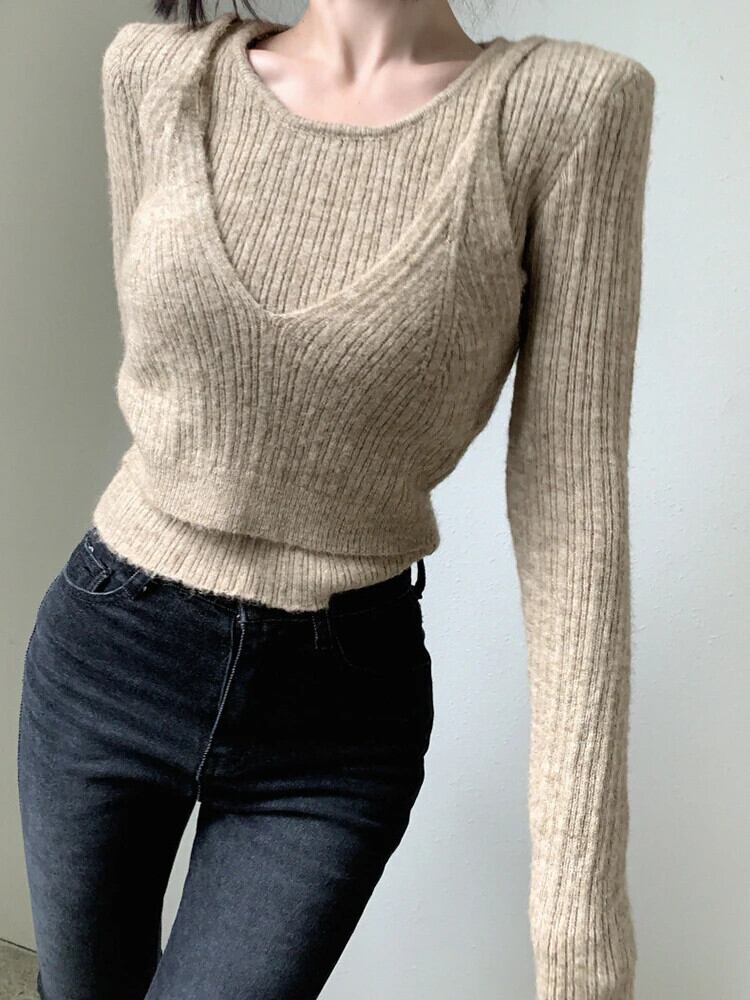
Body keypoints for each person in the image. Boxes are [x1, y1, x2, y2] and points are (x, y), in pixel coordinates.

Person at [16, 1, 655, 997]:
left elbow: (572, 507)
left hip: (334, 716)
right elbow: (167, 384)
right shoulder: (154, 71)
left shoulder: (566, 110)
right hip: (112, 651)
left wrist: (577, 910)